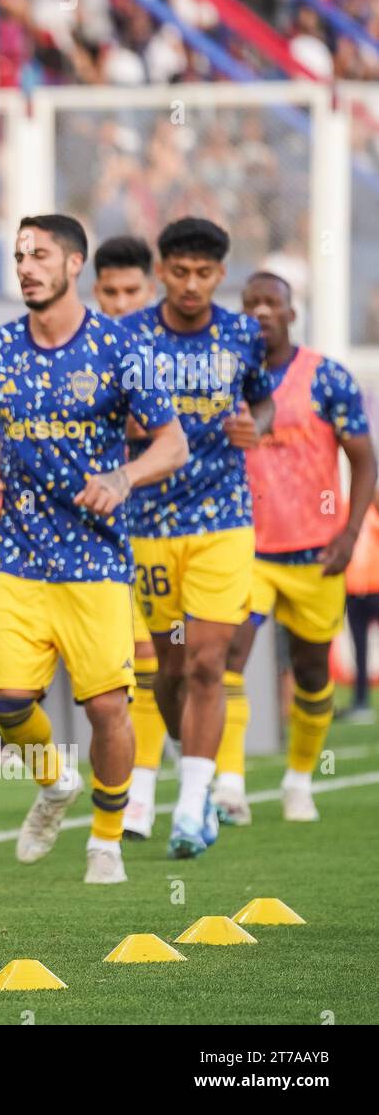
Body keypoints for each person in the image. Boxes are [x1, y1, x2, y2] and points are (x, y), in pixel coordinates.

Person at [0, 214, 188, 885]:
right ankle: (56, 782)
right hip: (17, 555)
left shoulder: (120, 349)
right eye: (18, 255)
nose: (26, 265)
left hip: (94, 560)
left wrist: (124, 477)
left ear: (72, 266)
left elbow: (172, 443)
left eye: (39, 255)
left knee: (106, 708)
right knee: (6, 701)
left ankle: (107, 840)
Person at [118, 217, 276, 858]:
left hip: (223, 520)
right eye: (179, 272)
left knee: (211, 661)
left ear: (221, 274)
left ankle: (190, 808)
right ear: (161, 271)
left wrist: (253, 425)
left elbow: (261, 400)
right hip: (151, 524)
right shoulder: (127, 336)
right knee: (171, 668)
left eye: (204, 274)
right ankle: (194, 767)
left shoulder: (242, 334)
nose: (190, 285)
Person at [215, 272, 375, 823]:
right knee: (227, 658)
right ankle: (230, 783)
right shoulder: (225, 374)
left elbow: (363, 458)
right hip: (245, 549)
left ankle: (300, 780)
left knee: (311, 673)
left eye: (272, 302)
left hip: (315, 552)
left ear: (291, 313)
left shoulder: (325, 377)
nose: (261, 311)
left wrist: (350, 532)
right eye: (251, 302)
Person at [90, 236, 172, 839]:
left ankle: (168, 785)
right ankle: (133, 787)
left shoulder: (165, 351)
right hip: (103, 532)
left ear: (152, 290)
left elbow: (164, 428)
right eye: (110, 291)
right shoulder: (86, 346)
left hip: (175, 524)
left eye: (131, 292)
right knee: (129, 667)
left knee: (175, 661)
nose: (120, 302)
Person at [344, 494, 379, 723]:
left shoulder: (375, 511)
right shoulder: (346, 511)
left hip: (376, 587)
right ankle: (361, 701)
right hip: (354, 590)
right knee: (359, 649)